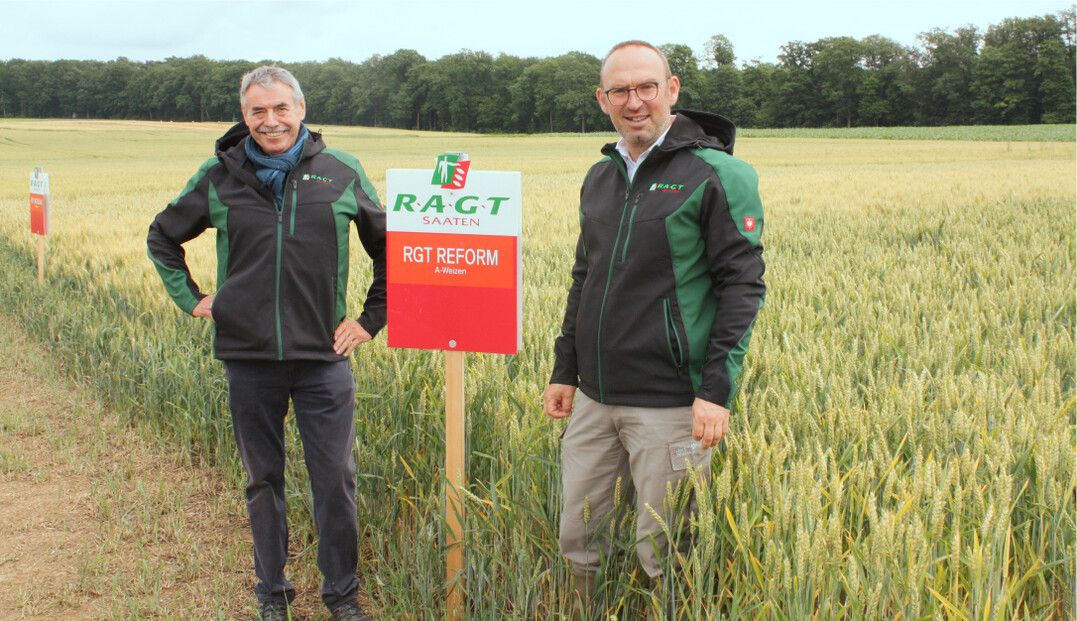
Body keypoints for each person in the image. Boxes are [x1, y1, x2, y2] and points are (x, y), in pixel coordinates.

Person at [147, 66, 383, 621]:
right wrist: (196, 299)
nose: (270, 120)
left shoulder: (340, 172)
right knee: (263, 481)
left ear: (301, 109)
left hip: (324, 360)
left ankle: (342, 598)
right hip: (248, 360)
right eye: (258, 110)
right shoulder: (219, 175)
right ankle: (271, 596)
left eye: (281, 108)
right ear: (244, 114)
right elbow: (163, 236)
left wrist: (372, 320)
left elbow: (390, 250)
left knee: (335, 482)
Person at [543, 41, 766, 617]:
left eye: (646, 87)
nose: (634, 101)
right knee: (577, 539)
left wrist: (715, 391)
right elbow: (583, 277)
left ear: (672, 90)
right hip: (594, 397)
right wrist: (565, 370)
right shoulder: (600, 175)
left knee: (664, 549)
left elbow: (741, 287)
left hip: (671, 404)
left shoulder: (718, 173)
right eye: (620, 90)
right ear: (602, 100)